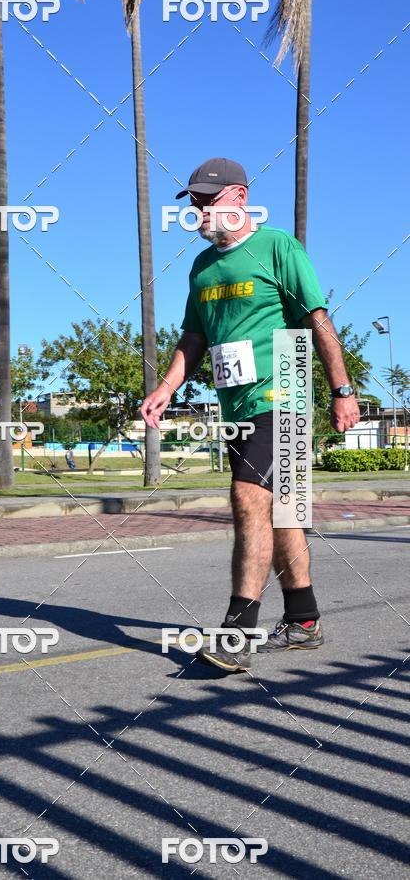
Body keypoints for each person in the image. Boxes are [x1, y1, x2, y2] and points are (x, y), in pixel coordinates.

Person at [140, 157, 360, 672]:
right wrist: (167, 387)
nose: (198, 210)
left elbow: (317, 319)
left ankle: (238, 630)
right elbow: (192, 338)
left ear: (239, 197)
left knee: (245, 496)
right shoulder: (202, 267)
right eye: (193, 201)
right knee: (282, 515)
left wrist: (342, 389)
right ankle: (304, 622)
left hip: (280, 396)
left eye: (207, 199)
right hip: (235, 406)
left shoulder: (277, 247)